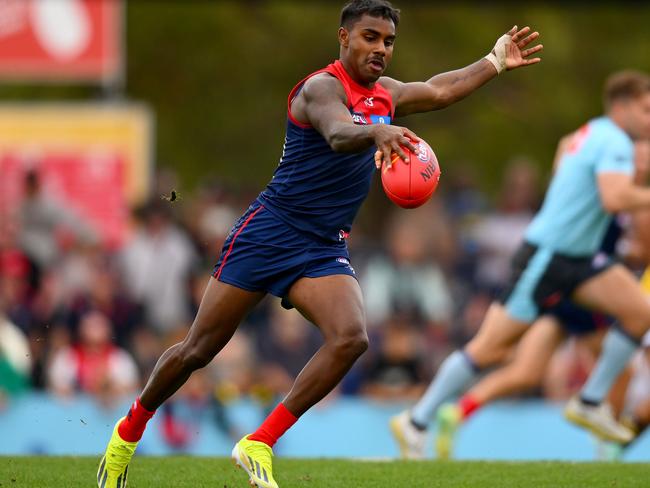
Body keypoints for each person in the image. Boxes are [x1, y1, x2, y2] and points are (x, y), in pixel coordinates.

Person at [97, 1, 543, 487]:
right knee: (198, 350)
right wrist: (378, 133)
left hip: (322, 245)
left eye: (388, 41)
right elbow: (336, 133)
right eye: (370, 37)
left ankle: (258, 442)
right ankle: (126, 435)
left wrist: (494, 61)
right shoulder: (320, 88)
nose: (380, 49)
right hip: (269, 231)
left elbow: (439, 90)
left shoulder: (387, 96)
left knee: (352, 338)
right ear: (344, 37)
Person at [390, 71, 650, 459]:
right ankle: (417, 420)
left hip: (579, 259)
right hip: (548, 257)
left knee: (639, 312)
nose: (649, 120)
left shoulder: (592, 133)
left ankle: (590, 401)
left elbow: (574, 168)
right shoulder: (612, 139)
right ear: (623, 104)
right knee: (490, 349)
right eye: (646, 110)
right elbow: (614, 198)